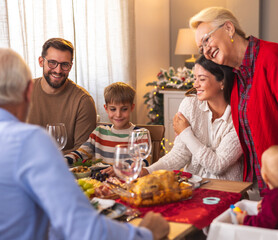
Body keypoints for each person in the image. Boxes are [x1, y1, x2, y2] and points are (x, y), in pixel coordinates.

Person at [0, 48, 169, 240]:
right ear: (29, 90)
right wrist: (145, 234)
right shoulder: (29, 141)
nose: (118, 114)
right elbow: (81, 227)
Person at [190, 7, 278, 203]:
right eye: (200, 48)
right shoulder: (236, 76)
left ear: (229, 28)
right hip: (263, 186)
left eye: (207, 40)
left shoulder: (274, 58)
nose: (206, 51)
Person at [139, 55, 243, 181]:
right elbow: (180, 154)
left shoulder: (240, 116)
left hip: (228, 189)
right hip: (191, 186)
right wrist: (148, 171)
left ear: (222, 82)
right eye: (195, 78)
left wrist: (186, 133)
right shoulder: (190, 104)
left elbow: (218, 165)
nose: (195, 84)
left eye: (202, 79)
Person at [27, 38, 97, 155]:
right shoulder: (21, 92)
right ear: (41, 62)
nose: (58, 70)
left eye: (65, 64)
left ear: (70, 66)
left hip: (66, 168)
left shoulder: (83, 101)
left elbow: (84, 152)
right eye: (52, 63)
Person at [64, 82, 148, 166]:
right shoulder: (99, 132)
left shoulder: (140, 134)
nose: (118, 114)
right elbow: (82, 152)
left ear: (132, 108)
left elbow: (143, 161)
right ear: (106, 109)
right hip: (100, 178)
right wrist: (64, 160)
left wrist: (118, 169)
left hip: (128, 177)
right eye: (113, 109)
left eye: (124, 109)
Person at [235, 145, 278, 229]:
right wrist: (265, 205)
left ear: (265, 177)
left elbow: (262, 224)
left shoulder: (272, 200)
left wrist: (244, 219)